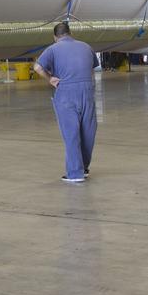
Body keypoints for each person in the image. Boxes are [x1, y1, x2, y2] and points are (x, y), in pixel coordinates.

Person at [33, 21, 98, 183]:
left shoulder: (53, 49)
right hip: (87, 91)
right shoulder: (86, 46)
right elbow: (92, 68)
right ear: (70, 33)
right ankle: (84, 168)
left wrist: (50, 79)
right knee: (88, 132)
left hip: (67, 92)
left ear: (55, 37)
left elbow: (37, 68)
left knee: (71, 134)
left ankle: (75, 173)